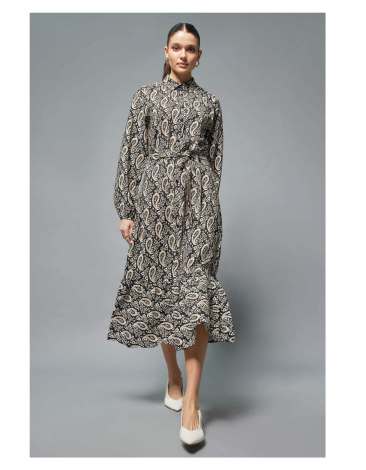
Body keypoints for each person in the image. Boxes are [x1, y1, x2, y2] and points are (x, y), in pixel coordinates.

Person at [107, 23, 236, 445]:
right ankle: (173, 377)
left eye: (191, 49)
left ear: (200, 56)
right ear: (166, 51)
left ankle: (192, 403)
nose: (183, 55)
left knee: (196, 292)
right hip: (154, 201)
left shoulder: (210, 103)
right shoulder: (145, 97)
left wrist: (206, 204)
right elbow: (131, 152)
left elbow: (215, 160)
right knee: (163, 290)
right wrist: (127, 210)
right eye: (177, 47)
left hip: (198, 203)